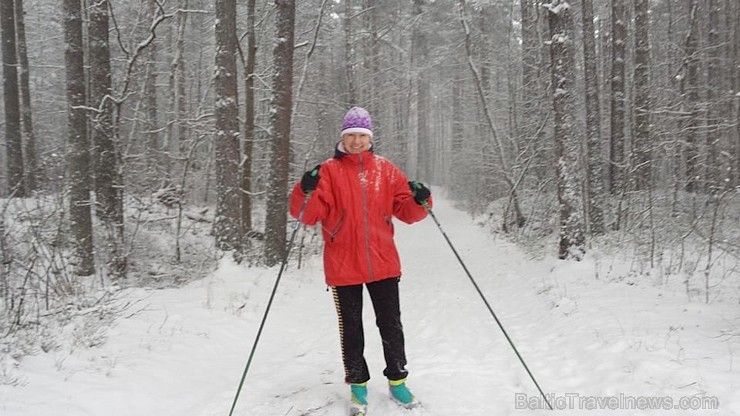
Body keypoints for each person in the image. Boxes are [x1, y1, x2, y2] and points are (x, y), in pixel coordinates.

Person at [289, 106, 432, 415]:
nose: (356, 141)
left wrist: (422, 200)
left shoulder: (386, 170)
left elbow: (407, 211)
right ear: (343, 137)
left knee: (391, 325)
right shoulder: (327, 171)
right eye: (351, 135)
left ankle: (398, 382)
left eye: (362, 136)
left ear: (370, 138)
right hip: (343, 265)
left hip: (383, 263)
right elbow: (307, 214)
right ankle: (358, 387)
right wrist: (305, 190)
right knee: (351, 328)